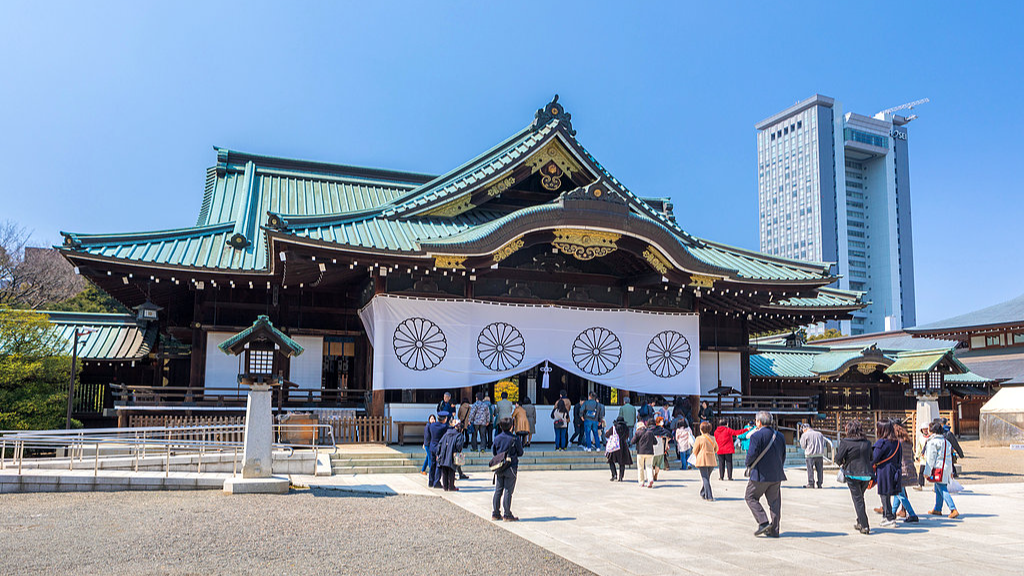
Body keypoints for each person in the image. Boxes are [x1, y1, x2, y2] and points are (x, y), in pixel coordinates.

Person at [745, 411, 786, 538]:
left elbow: (751, 454)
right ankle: (774, 529)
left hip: (760, 474)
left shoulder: (756, 436)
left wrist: (748, 464)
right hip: (776, 473)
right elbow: (783, 455)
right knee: (774, 502)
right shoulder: (780, 436)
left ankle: (763, 522)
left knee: (750, 496)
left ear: (759, 422)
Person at [836, 420, 874, 534]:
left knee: (858, 500)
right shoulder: (867, 443)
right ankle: (859, 521)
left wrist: (842, 463)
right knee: (860, 498)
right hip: (866, 474)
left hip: (852, 473)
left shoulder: (846, 442)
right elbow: (871, 458)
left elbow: (838, 458)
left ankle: (865, 525)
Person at [925, 420, 959, 519]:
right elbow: (949, 458)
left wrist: (927, 472)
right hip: (946, 467)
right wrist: (951, 471)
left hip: (938, 467)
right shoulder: (946, 442)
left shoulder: (932, 442)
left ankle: (953, 508)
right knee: (938, 487)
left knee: (941, 488)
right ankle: (937, 508)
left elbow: (931, 458)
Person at [492, 417, 524, 521]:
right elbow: (520, 452)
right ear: (512, 427)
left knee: (498, 490)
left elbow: (494, 452)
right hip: (511, 466)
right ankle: (507, 514)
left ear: (500, 426)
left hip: (500, 467)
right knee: (508, 490)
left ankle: (495, 513)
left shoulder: (497, 438)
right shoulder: (515, 439)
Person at [872, 419, 902, 528]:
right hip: (895, 469)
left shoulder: (881, 443)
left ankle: (889, 517)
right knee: (888, 494)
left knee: (884, 494)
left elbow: (874, 457)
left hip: (884, 470)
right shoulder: (897, 443)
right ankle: (886, 516)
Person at [890, 420, 920, 523]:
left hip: (901, 469)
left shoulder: (897, 442)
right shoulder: (907, 441)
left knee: (899, 493)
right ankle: (893, 513)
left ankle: (912, 514)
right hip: (909, 467)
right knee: (899, 492)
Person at [436, 421, 466, 492]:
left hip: (443, 454)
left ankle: (445, 487)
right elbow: (459, 446)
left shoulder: (447, 433)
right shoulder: (459, 435)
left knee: (444, 471)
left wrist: (438, 453)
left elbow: (440, 443)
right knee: (451, 471)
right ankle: (451, 487)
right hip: (452, 455)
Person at [424, 412, 451, 488]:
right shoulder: (444, 426)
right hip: (439, 448)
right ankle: (436, 482)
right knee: (438, 465)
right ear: (444, 419)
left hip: (432, 446)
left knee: (432, 465)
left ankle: (430, 481)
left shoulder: (432, 425)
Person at [692, 421, 718, 500]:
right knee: (707, 477)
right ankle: (703, 492)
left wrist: (698, 455)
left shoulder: (699, 438)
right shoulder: (713, 438)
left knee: (705, 478)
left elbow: (695, 450)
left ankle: (709, 496)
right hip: (711, 460)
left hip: (702, 459)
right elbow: (716, 448)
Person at [799, 423, 829, 489]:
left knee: (810, 469)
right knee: (820, 469)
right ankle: (820, 483)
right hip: (820, 454)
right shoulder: (819, 434)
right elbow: (823, 443)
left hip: (810, 454)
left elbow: (803, 446)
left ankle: (811, 483)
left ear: (804, 429)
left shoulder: (805, 435)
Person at [605, 415, 633, 481]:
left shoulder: (614, 427)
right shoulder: (626, 428)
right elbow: (627, 436)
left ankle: (614, 475)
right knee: (622, 462)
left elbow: (607, 435)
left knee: (611, 461)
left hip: (615, 446)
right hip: (623, 445)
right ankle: (621, 477)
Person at [631, 417, 657, 488]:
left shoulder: (638, 433)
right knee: (649, 466)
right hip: (650, 452)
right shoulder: (650, 432)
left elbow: (632, 441)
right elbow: (655, 442)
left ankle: (641, 482)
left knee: (640, 467)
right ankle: (650, 479)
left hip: (640, 452)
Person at [912, 423, 931, 491]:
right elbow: (918, 447)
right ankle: (920, 484)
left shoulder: (931, 437)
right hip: (923, 457)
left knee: (932, 472)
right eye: (924, 429)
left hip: (930, 457)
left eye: (926, 429)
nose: (925, 431)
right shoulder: (920, 438)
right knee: (921, 472)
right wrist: (917, 456)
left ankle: (935, 485)